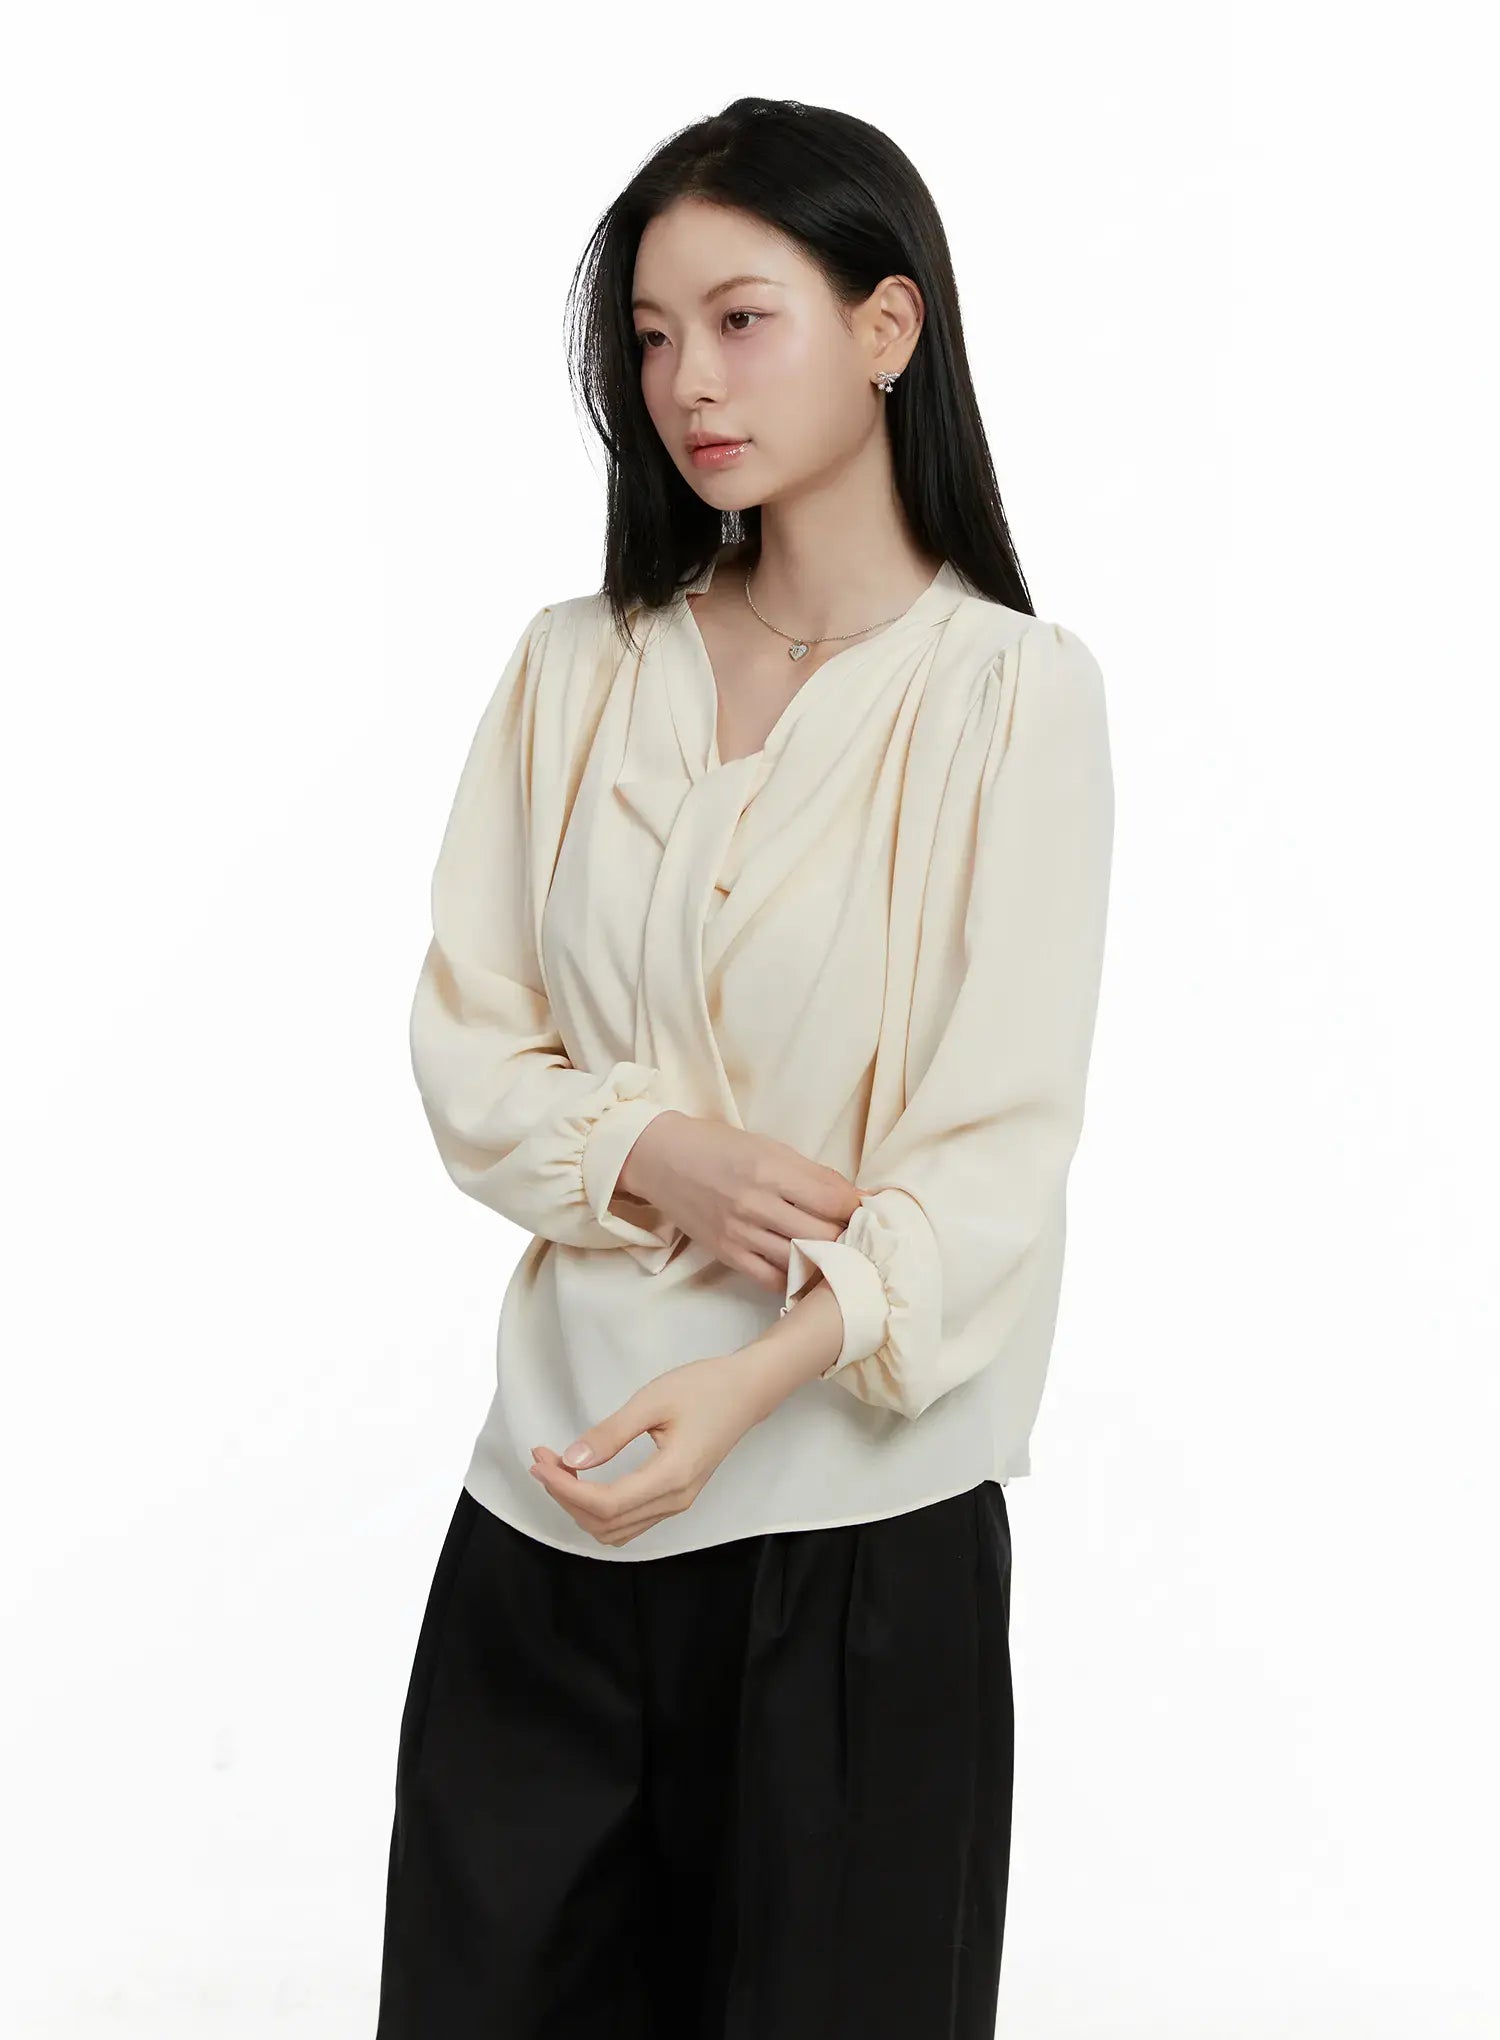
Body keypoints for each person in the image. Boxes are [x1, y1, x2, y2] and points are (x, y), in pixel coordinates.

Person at [375, 94, 1115, 2040]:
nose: (685, 381)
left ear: (889, 325)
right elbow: (469, 1048)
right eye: (649, 337)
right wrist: (658, 1153)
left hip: (858, 1555)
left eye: (739, 319)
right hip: (546, 1523)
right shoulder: (574, 669)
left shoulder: (1011, 702)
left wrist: (755, 1376)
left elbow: (990, 1164)